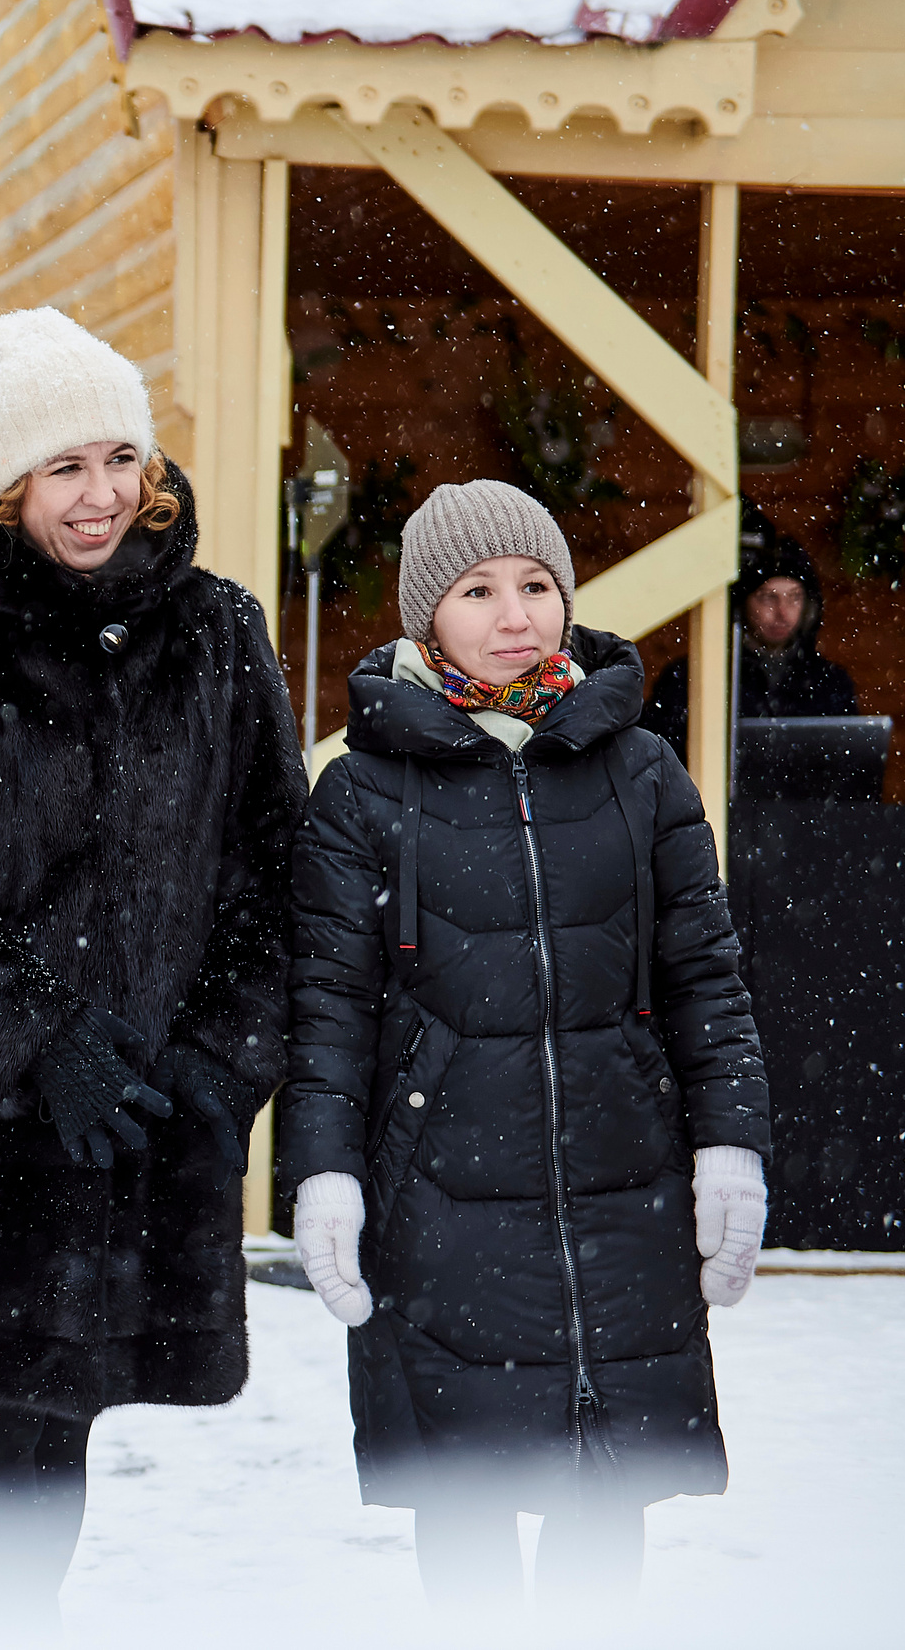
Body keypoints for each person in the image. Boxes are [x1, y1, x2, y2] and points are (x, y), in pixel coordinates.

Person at [0, 306, 305, 1641]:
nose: (98, 495)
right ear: (3, 487)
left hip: (152, 1104)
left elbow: (275, 868)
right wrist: (33, 1038)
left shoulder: (218, 631)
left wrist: (224, 1050)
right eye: (62, 468)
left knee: (75, 1417)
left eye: (117, 459)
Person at [284, 481, 773, 1616]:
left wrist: (729, 1145)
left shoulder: (639, 770)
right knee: (463, 1506)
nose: (517, 615)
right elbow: (329, 1007)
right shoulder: (360, 792)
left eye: (537, 585)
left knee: (605, 1502)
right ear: (426, 619)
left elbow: (706, 978)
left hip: (619, 1189)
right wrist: (323, 1174)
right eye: (478, 590)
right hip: (439, 1202)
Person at [645, 525, 858, 761]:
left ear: (809, 606)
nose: (783, 612)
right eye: (769, 597)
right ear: (742, 605)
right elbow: (656, 764)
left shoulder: (829, 683)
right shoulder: (692, 678)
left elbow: (853, 773)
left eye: (794, 597)